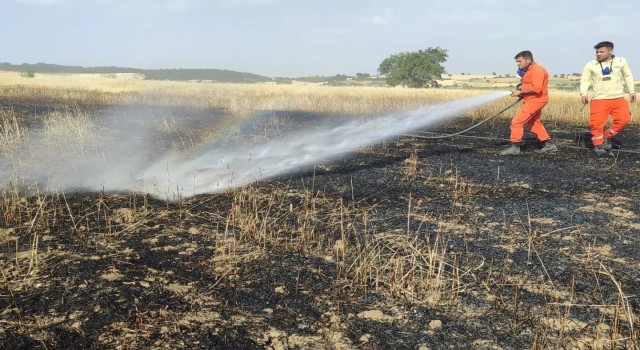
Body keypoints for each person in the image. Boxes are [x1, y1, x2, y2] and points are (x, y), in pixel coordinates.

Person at [580, 41, 636, 155]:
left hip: (618, 98)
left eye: (601, 51)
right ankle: (598, 145)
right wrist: (583, 93)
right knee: (596, 124)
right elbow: (585, 80)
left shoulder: (621, 61)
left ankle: (607, 136)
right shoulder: (591, 64)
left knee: (624, 119)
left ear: (610, 51)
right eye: (597, 52)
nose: (598, 54)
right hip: (599, 99)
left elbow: (628, 75)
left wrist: (631, 90)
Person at [499, 50, 557, 155]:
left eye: (519, 61)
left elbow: (537, 88)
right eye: (517, 62)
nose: (518, 64)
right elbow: (530, 86)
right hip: (532, 99)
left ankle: (515, 147)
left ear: (528, 60)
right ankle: (549, 145)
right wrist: (521, 93)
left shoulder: (537, 70)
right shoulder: (529, 71)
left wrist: (520, 92)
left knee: (517, 122)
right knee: (533, 122)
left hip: (536, 100)